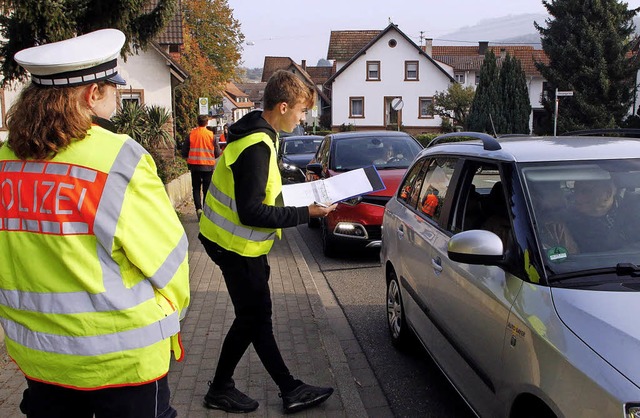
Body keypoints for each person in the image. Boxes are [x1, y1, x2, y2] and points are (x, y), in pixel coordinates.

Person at [0, 29, 190, 418]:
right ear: (91, 95)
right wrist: (169, 316)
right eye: (112, 89)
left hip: (41, 359)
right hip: (122, 363)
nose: (117, 98)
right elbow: (168, 261)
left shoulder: (5, 161)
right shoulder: (119, 158)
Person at [198, 70, 336, 414]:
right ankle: (273, 388)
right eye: (302, 112)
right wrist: (308, 213)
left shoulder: (261, 133)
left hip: (235, 245)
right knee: (253, 317)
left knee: (254, 317)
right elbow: (252, 212)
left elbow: (262, 193)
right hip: (235, 247)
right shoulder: (257, 146)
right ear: (284, 106)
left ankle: (257, 388)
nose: (303, 119)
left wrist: (301, 195)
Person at [567, 178, 640, 252]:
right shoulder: (568, 221)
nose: (577, 198)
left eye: (586, 191)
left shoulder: (635, 210)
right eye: (575, 191)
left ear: (607, 194)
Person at [181, 114, 219, 219]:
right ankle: (206, 211)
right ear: (207, 123)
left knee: (196, 188)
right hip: (207, 166)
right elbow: (217, 152)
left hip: (194, 166)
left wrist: (187, 158)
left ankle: (198, 209)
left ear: (197, 122)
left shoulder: (191, 134)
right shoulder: (211, 135)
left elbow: (184, 151)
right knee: (206, 189)